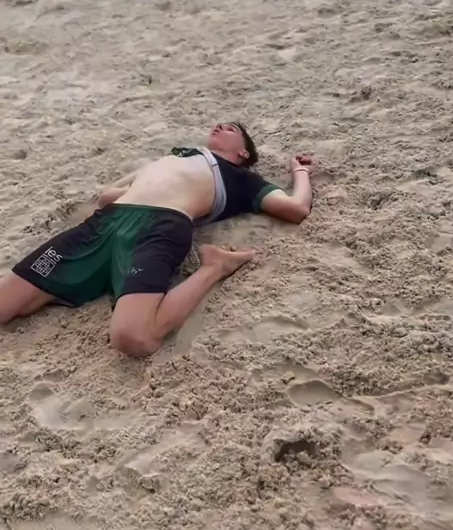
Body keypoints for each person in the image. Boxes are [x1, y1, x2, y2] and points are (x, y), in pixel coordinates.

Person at [0, 123, 313, 356]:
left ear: (243, 153)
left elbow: (296, 208)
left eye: (231, 128)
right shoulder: (173, 157)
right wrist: (143, 179)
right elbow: (106, 196)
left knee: (133, 338)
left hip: (159, 228)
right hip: (103, 225)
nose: (219, 125)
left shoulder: (240, 177)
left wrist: (300, 172)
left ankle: (215, 266)